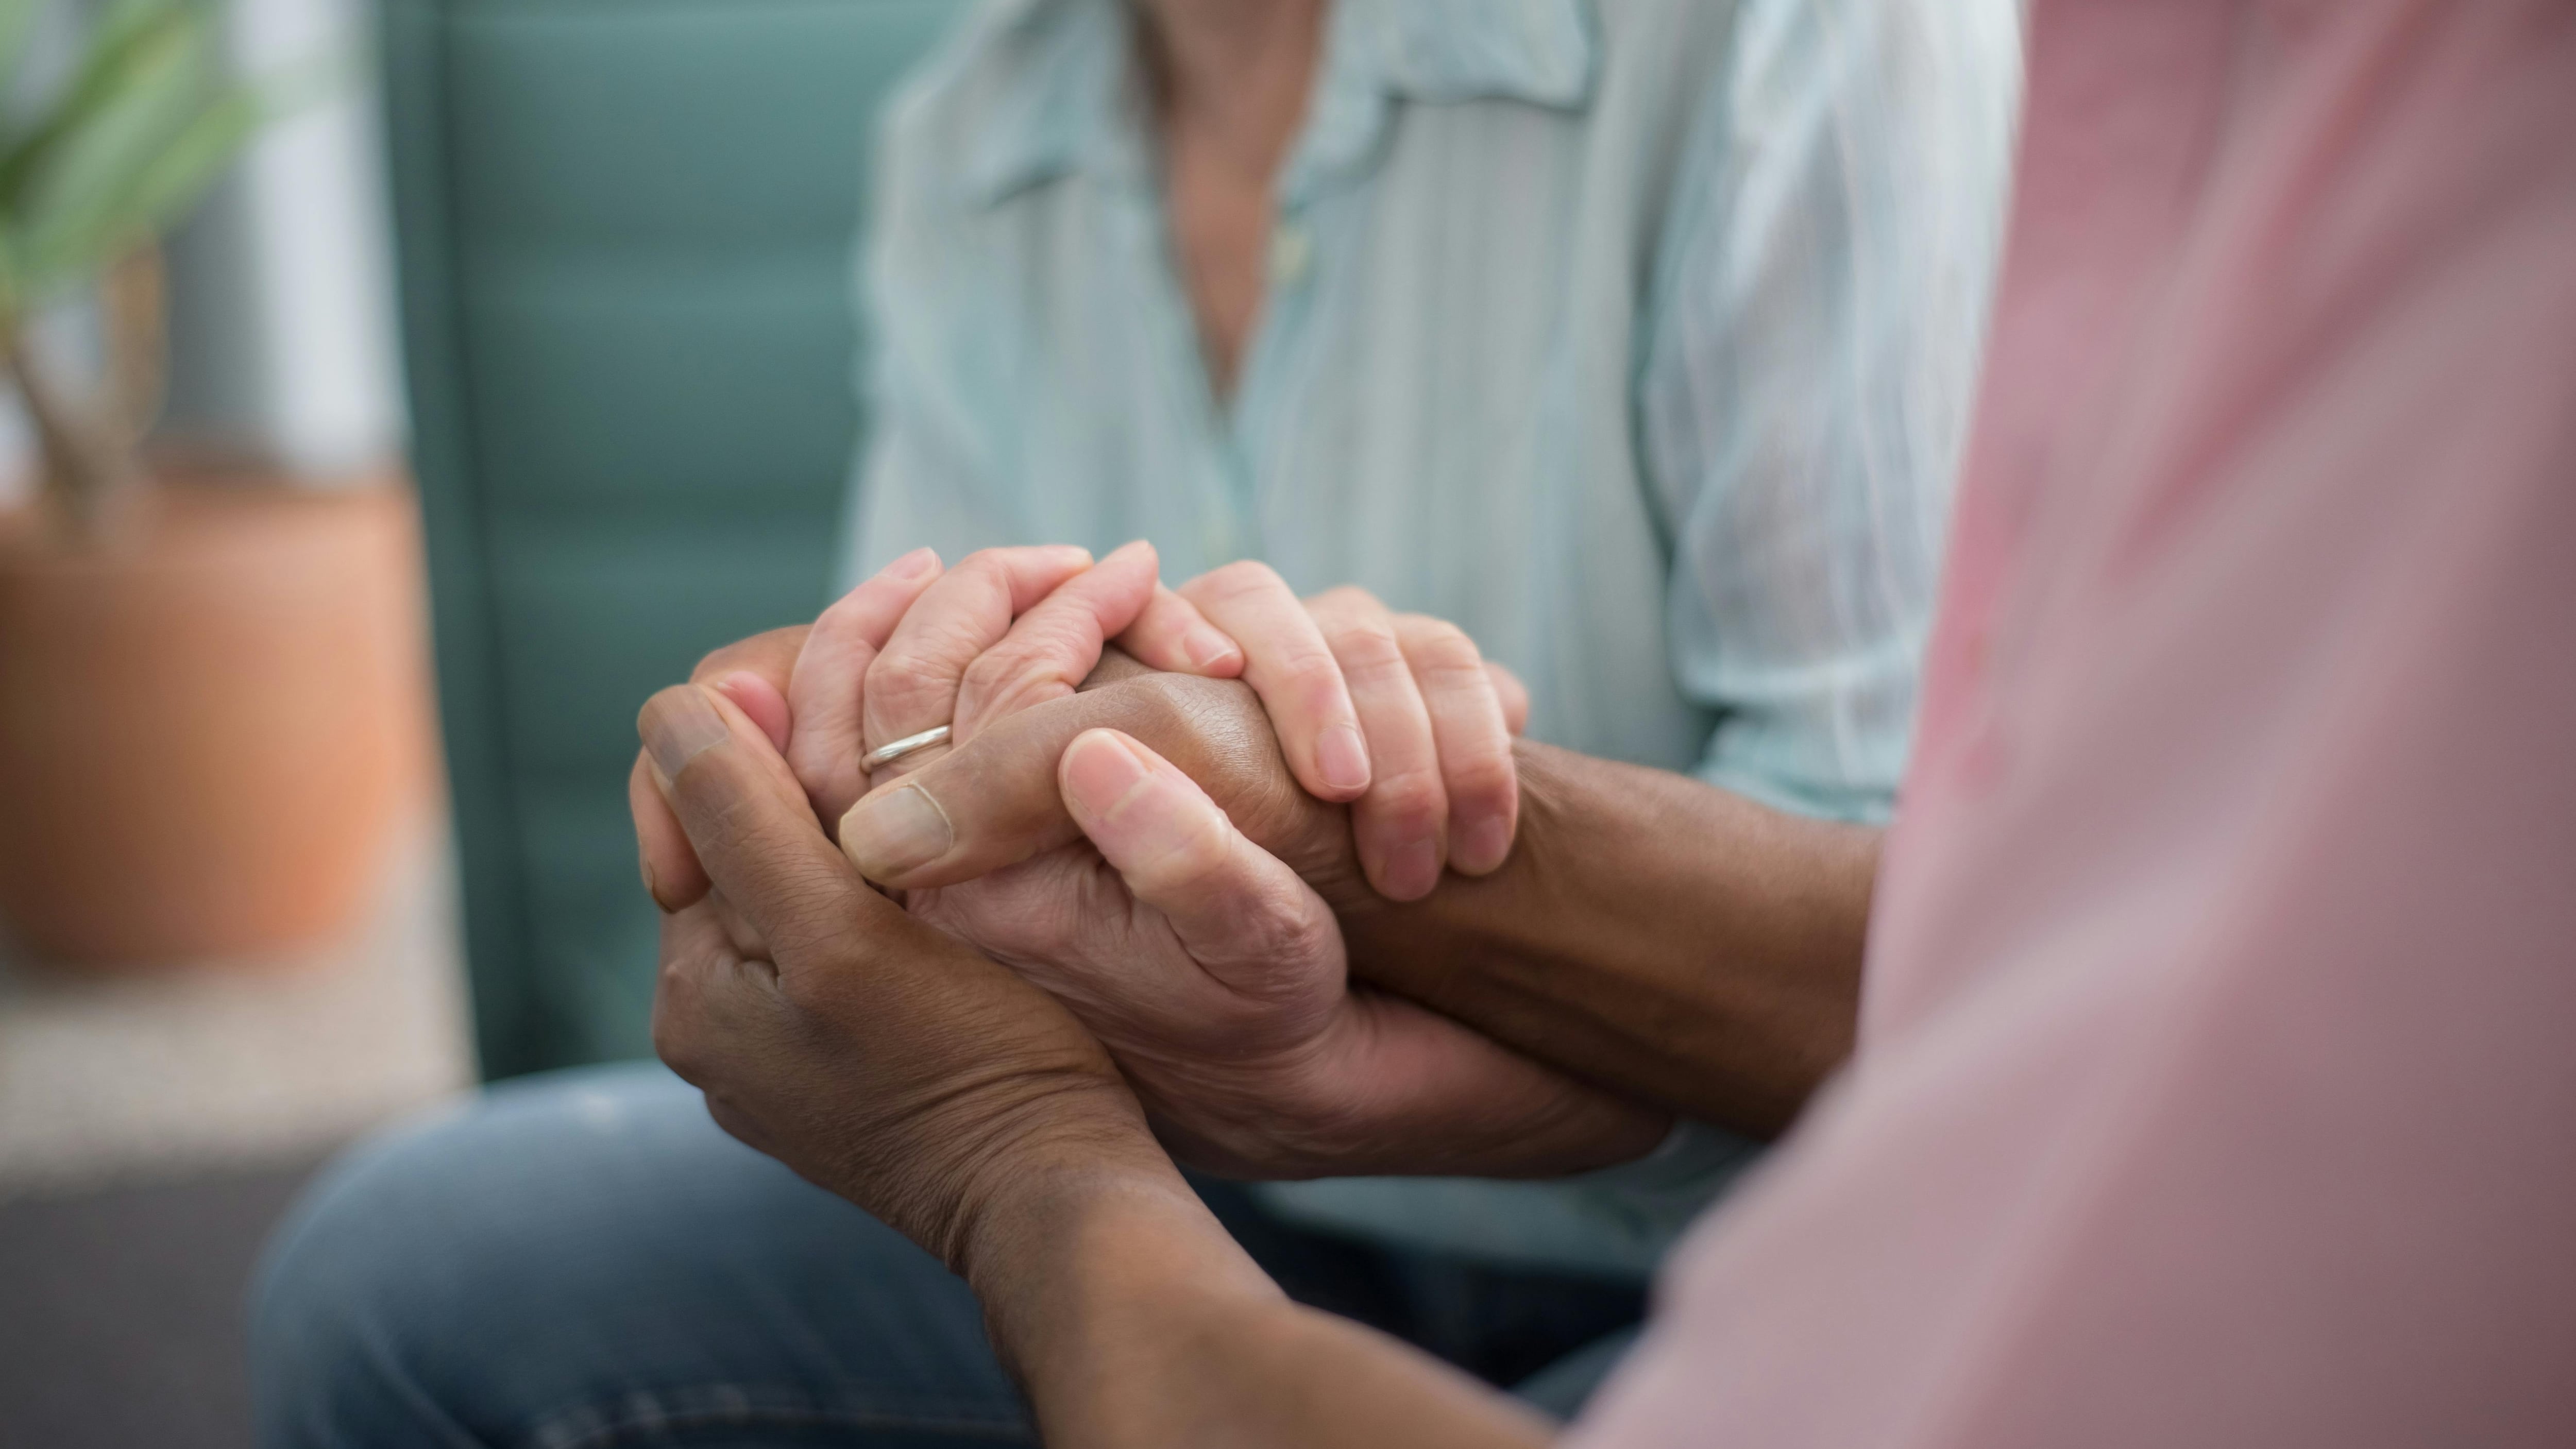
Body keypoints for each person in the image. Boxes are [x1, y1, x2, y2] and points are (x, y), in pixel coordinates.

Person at [263, 0, 2576, 1443]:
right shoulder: (967, 133)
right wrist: (901, 786)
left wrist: (1259, 931)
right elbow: (947, 850)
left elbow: (1931, 997)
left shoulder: (1801, 41)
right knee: (417, 1270)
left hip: (1741, 1241)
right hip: (1245, 1201)